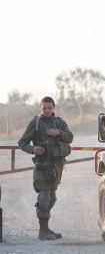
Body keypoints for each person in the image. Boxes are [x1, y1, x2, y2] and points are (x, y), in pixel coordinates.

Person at [18, 97, 73, 241]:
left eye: (49, 108)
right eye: (44, 108)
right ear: (40, 107)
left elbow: (70, 137)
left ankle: (46, 227)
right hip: (42, 165)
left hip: (57, 165)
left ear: (54, 107)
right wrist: (32, 149)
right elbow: (22, 142)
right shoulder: (35, 123)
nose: (47, 110)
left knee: (52, 198)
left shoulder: (59, 122)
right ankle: (42, 231)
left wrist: (58, 133)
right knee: (44, 197)